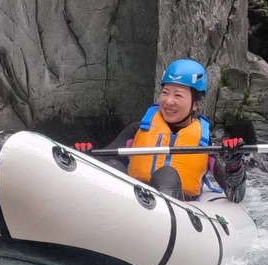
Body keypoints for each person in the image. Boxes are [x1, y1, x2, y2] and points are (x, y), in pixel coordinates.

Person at [78, 59, 247, 203]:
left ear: (196, 104)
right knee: (112, 167)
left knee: (167, 175)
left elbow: (235, 195)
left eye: (178, 95)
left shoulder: (205, 144)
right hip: (130, 202)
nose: (168, 101)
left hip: (176, 209)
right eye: (165, 93)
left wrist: (234, 164)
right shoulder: (136, 130)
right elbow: (102, 160)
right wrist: (85, 156)